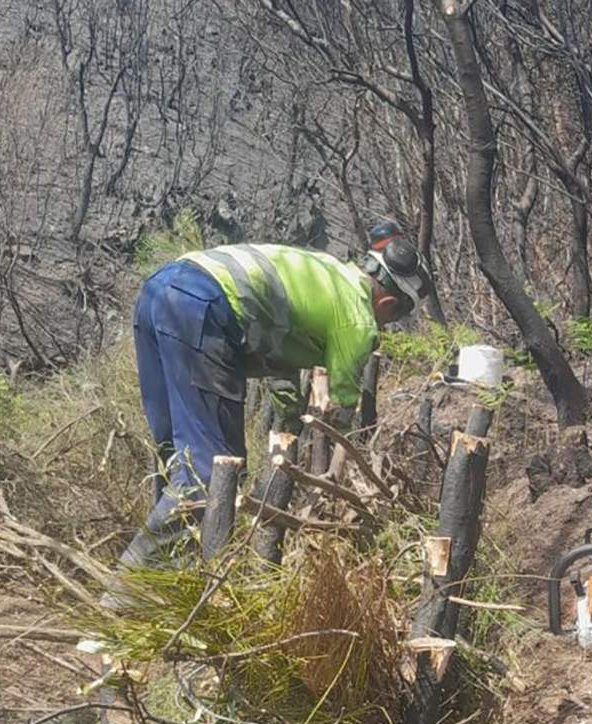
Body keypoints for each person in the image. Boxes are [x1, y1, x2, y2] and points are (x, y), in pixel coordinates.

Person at [109, 230, 432, 584]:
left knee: (176, 458)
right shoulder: (358, 319)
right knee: (209, 472)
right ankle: (129, 593)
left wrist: (290, 417)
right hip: (204, 307)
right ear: (388, 306)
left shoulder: (327, 273)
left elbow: (275, 347)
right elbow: (341, 410)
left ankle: (167, 584)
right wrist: (345, 463)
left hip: (161, 289)